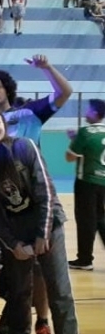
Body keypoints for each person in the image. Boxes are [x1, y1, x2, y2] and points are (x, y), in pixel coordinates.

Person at [0, 106, 86, 334]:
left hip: (48, 226)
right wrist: (13, 245)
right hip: (17, 234)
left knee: (60, 294)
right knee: (19, 293)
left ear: (4, 125)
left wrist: (43, 234)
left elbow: (46, 191)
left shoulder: (24, 147)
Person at [65, 98, 105, 270]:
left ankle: (84, 259)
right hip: (103, 182)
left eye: (88, 110)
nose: (86, 113)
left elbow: (70, 157)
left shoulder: (85, 131)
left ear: (95, 113)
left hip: (86, 181)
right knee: (100, 218)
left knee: (85, 221)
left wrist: (74, 141)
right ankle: (85, 259)